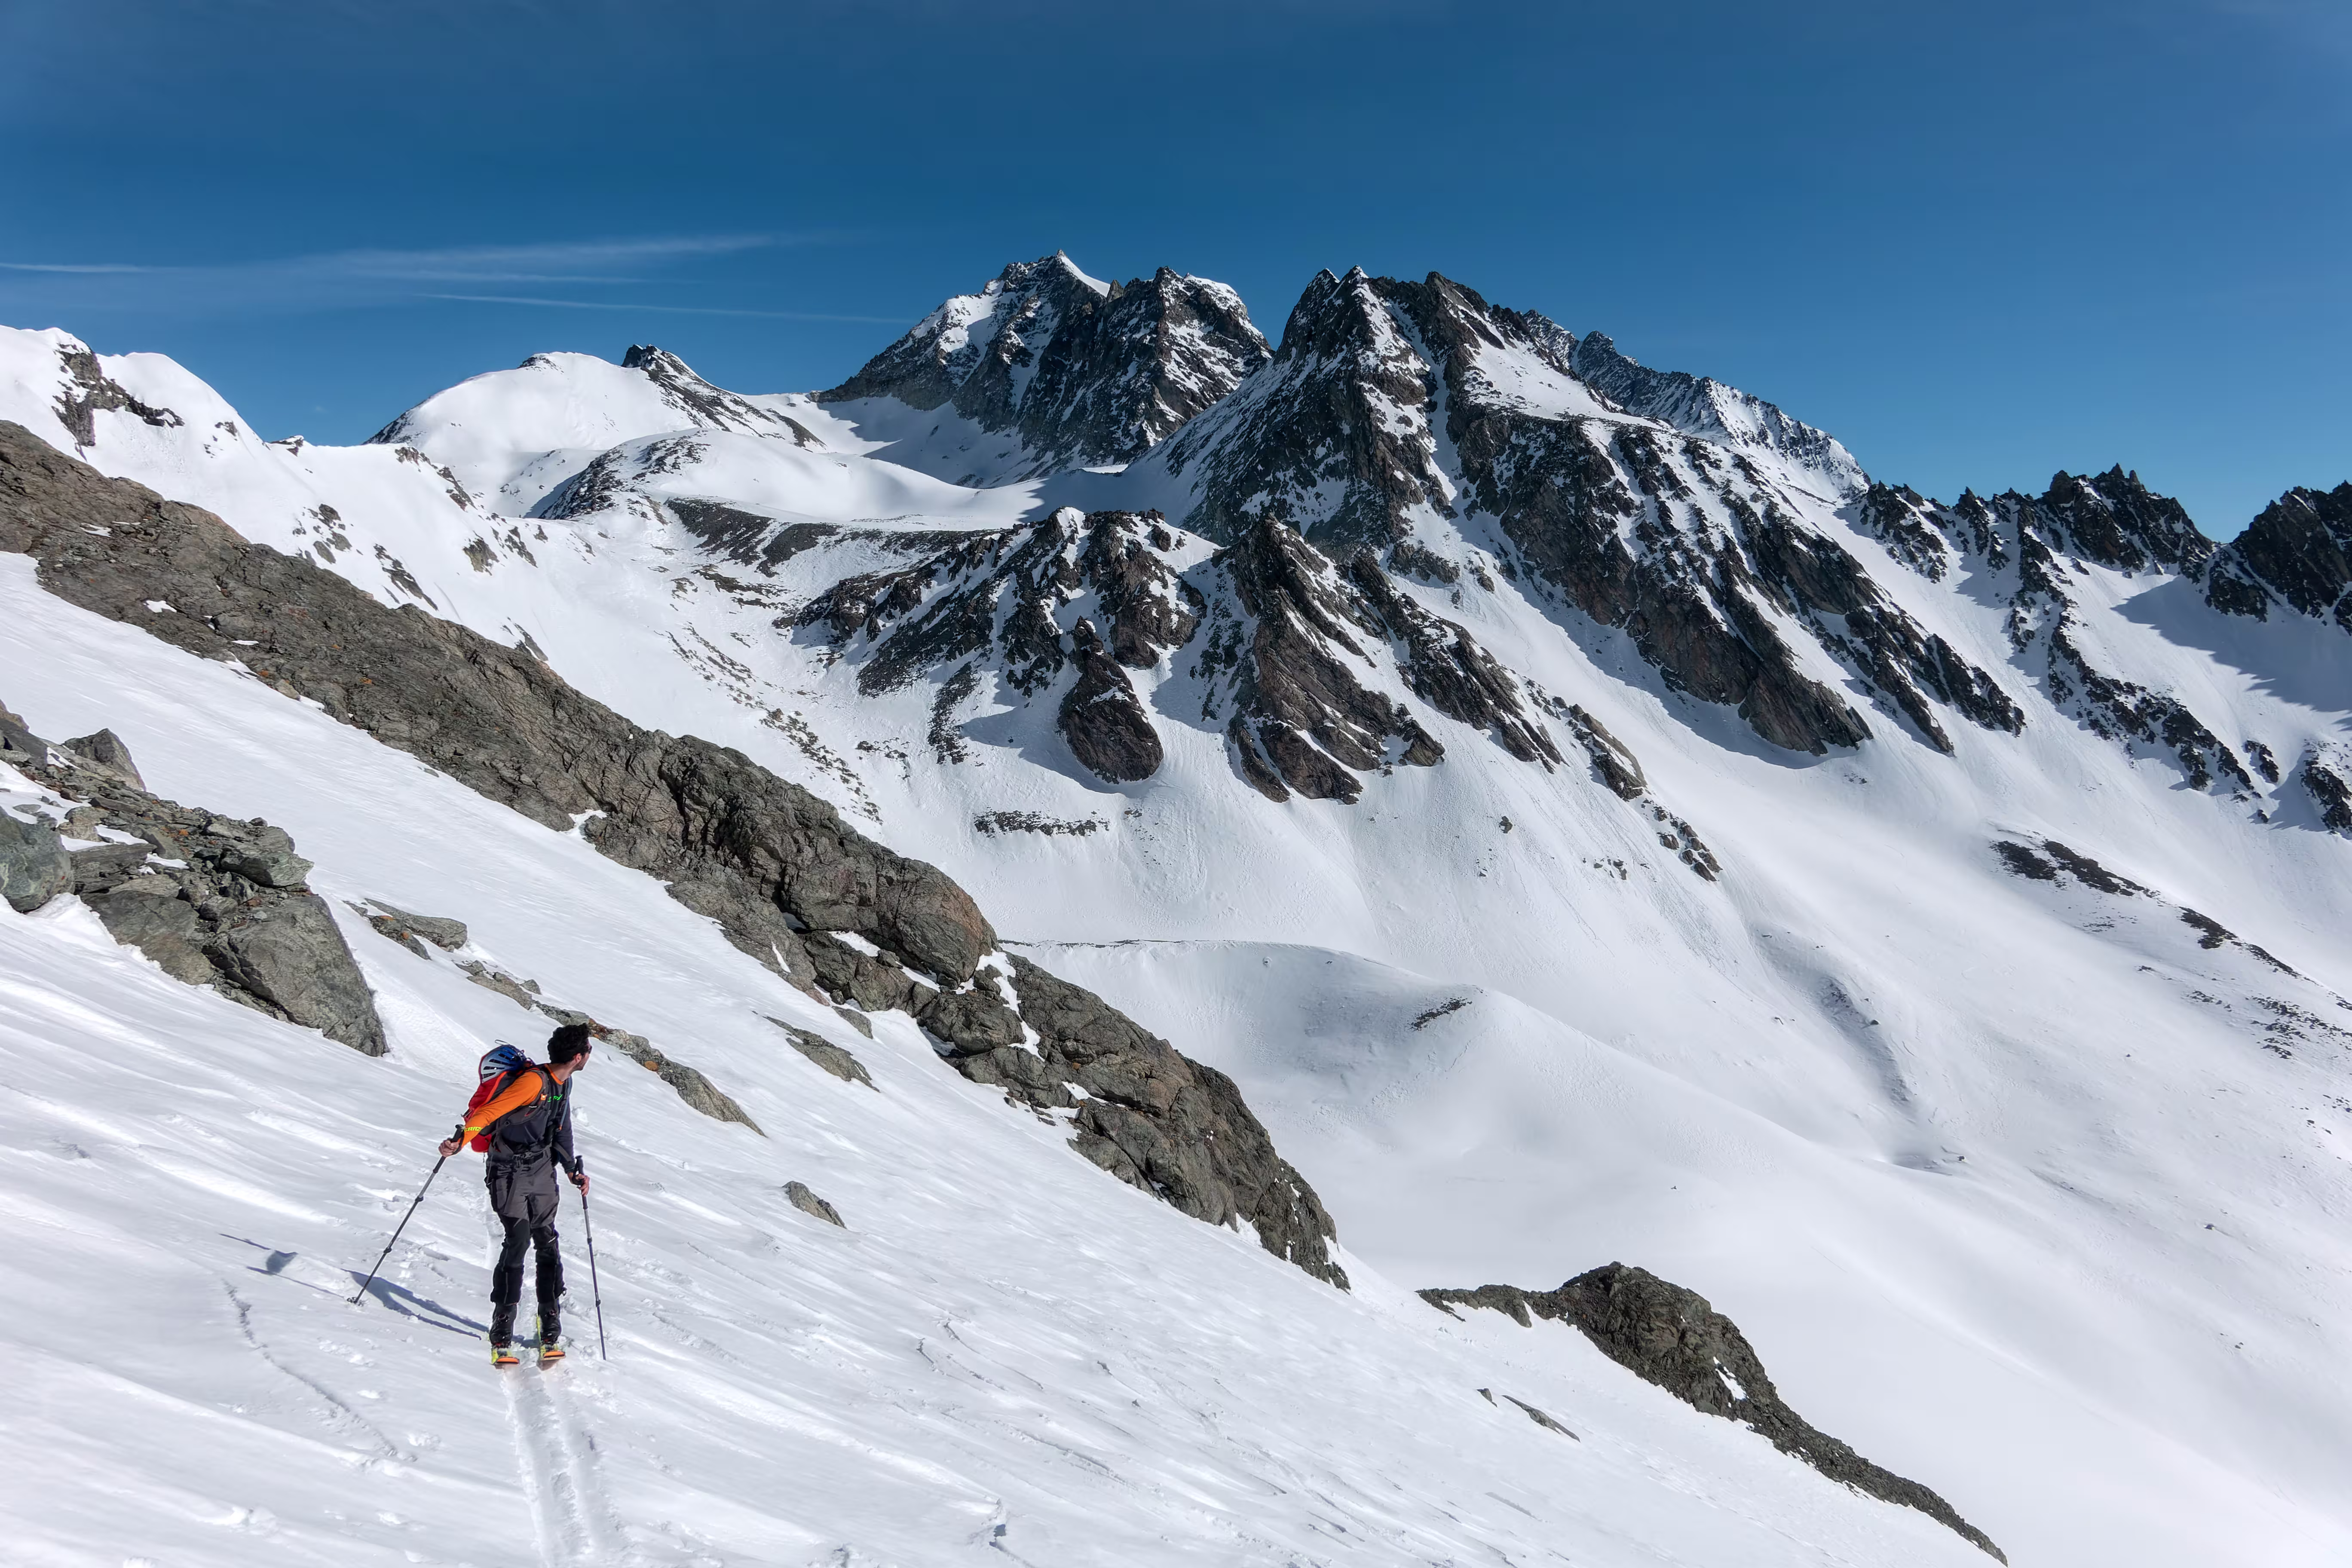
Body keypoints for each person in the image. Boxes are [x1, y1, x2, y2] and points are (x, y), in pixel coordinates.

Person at [439, 1023, 592, 1363]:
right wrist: (460, 1142)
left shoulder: (563, 1084)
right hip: (508, 1172)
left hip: (541, 1171)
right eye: (588, 1052)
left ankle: (550, 1323)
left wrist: (571, 1170)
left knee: (548, 1243)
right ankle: (502, 1328)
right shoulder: (533, 1082)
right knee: (518, 1241)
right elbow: (488, 1113)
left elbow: (561, 1129)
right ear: (579, 1057)